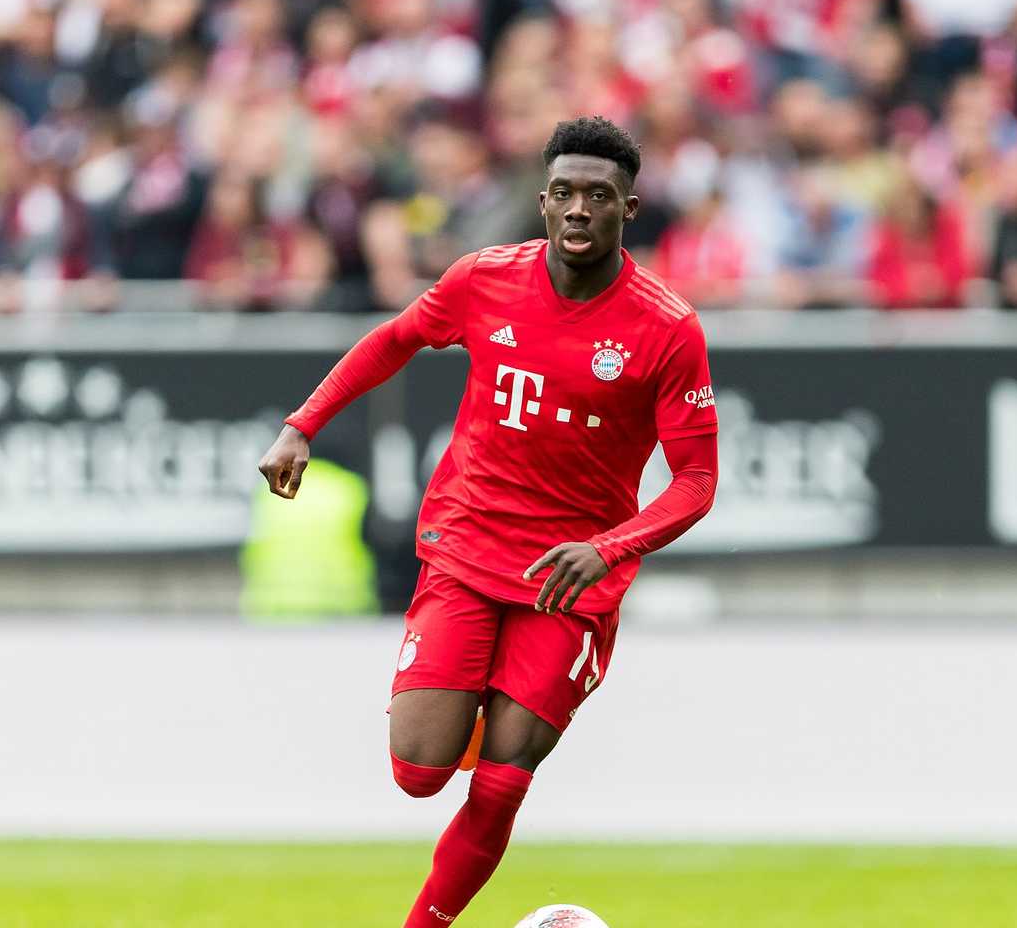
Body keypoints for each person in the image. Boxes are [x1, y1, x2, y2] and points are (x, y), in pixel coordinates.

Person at [256, 116, 719, 927]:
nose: (580, 209)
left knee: (503, 781)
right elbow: (394, 340)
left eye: (599, 196)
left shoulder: (666, 328)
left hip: (568, 581)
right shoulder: (485, 279)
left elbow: (697, 481)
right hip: (468, 547)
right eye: (565, 192)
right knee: (418, 770)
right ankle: (473, 697)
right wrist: (303, 424)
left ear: (629, 209)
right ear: (543, 202)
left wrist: (609, 549)